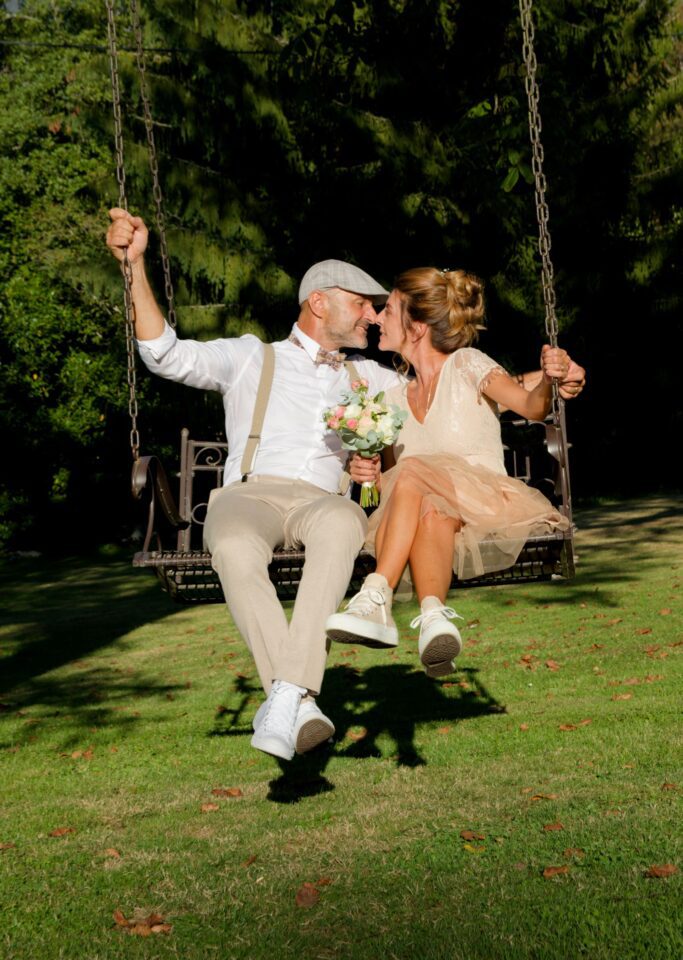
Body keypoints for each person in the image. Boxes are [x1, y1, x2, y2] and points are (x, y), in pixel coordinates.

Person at [106, 211, 583, 758]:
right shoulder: (247, 357)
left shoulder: (374, 378)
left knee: (340, 527)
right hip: (248, 493)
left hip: (323, 504)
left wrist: (559, 379)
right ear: (319, 303)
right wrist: (134, 267)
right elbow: (164, 354)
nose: (374, 314)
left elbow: (461, 382)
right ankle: (295, 696)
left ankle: (311, 670)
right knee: (234, 547)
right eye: (361, 303)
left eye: (379, 307)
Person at [325, 267, 575, 677]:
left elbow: (532, 407)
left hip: (485, 500)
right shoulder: (389, 399)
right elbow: (392, 490)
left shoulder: (467, 364)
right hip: (435, 516)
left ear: (417, 326)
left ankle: (376, 594)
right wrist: (366, 475)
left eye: (388, 310)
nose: (377, 318)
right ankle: (435, 619)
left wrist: (548, 379)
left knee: (412, 472)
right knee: (425, 503)